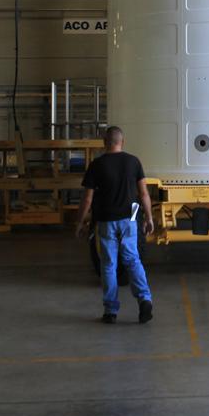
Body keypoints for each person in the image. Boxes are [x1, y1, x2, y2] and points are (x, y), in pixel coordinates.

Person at [75, 126, 154, 324]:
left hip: (106, 221)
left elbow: (87, 199)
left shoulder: (96, 165)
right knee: (132, 260)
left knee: (109, 265)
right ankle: (144, 299)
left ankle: (110, 311)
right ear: (122, 142)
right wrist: (150, 218)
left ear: (104, 142)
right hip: (129, 220)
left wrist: (80, 222)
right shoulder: (133, 162)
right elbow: (144, 194)